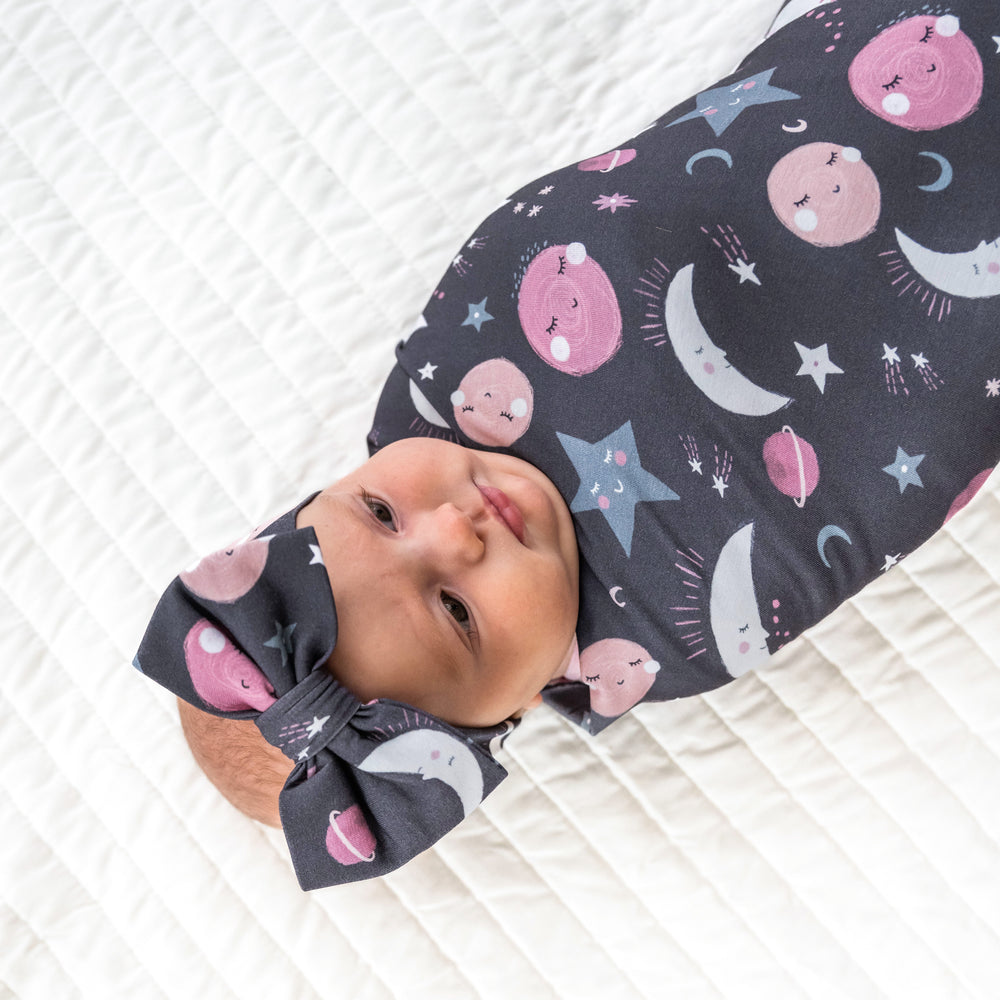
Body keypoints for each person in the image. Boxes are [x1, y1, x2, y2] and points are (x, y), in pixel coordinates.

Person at [135, 0, 1000, 888]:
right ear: (497, 717)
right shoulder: (672, 630)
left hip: (848, 85)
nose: (455, 529)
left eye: (380, 510)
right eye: (457, 611)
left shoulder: (448, 380)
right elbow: (887, 489)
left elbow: (626, 189)